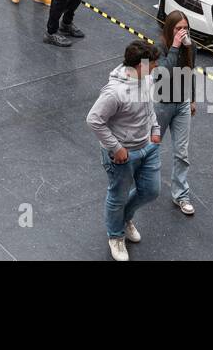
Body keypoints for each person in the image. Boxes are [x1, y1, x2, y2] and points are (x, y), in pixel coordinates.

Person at [87, 40, 162, 262]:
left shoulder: (146, 79)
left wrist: (155, 128)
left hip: (147, 146)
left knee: (151, 191)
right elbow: (94, 120)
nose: (157, 67)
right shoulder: (114, 92)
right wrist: (116, 148)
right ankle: (116, 236)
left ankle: (124, 218)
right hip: (122, 154)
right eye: (154, 63)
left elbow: (149, 106)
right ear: (140, 65)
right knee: (117, 196)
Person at [155, 11, 199, 216]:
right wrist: (175, 47)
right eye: (178, 28)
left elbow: (191, 71)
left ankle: (181, 194)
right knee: (151, 147)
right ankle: (142, 184)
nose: (182, 32)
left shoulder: (192, 47)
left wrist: (191, 98)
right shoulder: (159, 47)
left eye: (185, 28)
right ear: (170, 29)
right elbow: (162, 74)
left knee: (182, 152)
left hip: (181, 103)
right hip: (161, 103)